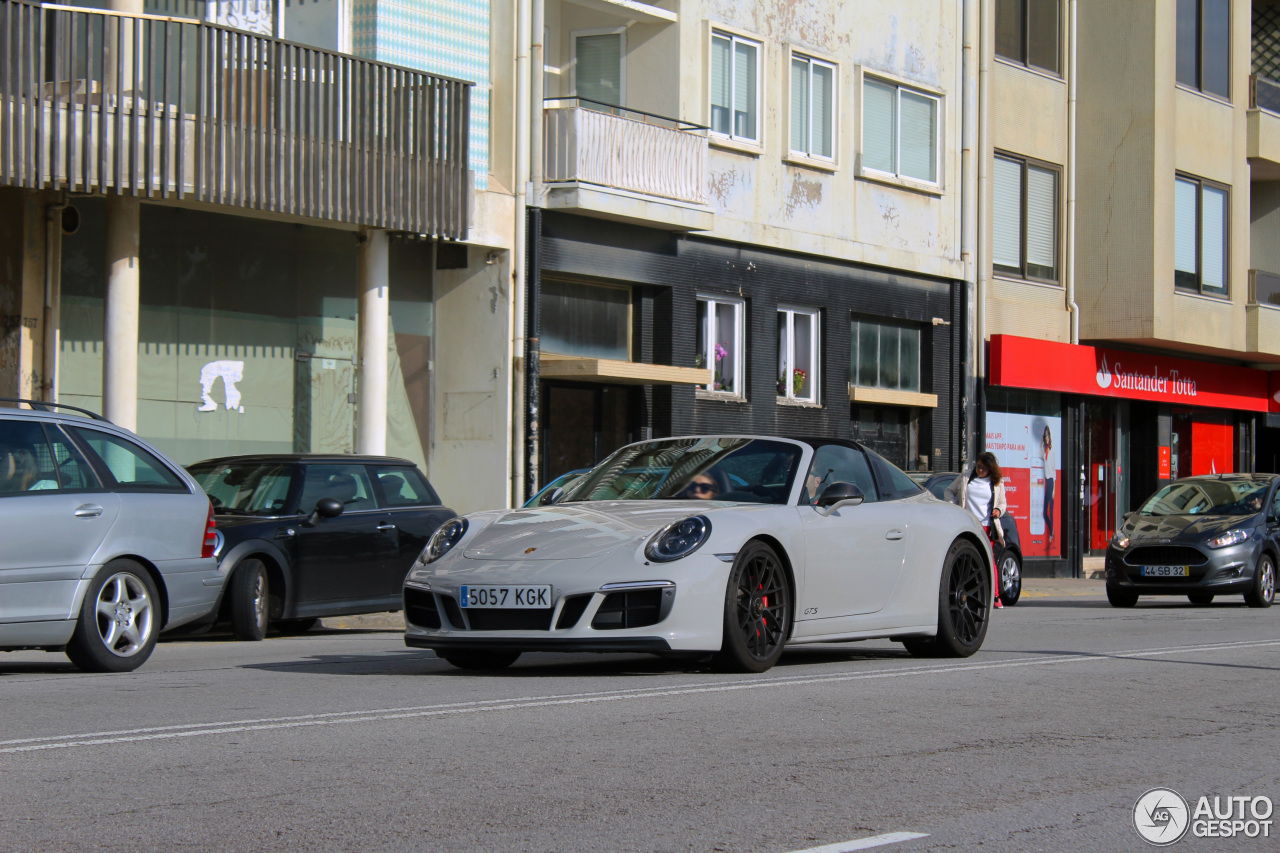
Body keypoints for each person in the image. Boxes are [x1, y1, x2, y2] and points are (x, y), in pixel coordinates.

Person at [945, 451, 1007, 608]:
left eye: (984, 468)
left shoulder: (997, 482)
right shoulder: (966, 477)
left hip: (985, 527)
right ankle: (967, 593)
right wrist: (954, 508)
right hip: (967, 525)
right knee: (966, 560)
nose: (980, 470)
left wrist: (998, 510)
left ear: (991, 469)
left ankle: (995, 596)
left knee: (989, 561)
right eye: (978, 466)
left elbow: (1002, 502)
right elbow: (949, 491)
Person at [1041, 425, 1056, 544]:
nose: (1047, 438)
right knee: (1044, 512)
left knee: (1051, 511)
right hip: (1045, 481)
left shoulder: (1052, 451)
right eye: (1045, 436)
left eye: (1048, 436)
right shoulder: (1044, 450)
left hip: (1051, 481)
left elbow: (1054, 469)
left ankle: (1051, 534)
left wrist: (1054, 488)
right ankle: (1052, 530)